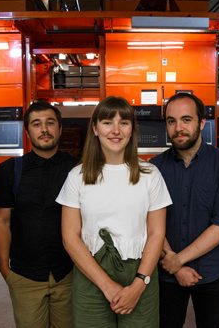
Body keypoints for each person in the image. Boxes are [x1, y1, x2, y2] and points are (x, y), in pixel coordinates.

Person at [56, 96, 172, 327]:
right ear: (95, 129)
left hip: (140, 270)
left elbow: (156, 234)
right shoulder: (76, 177)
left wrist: (139, 283)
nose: (116, 130)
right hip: (91, 272)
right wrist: (107, 285)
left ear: (132, 130)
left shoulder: (151, 174)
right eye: (108, 122)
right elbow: (70, 237)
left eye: (124, 122)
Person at [150, 93, 219, 328]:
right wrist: (173, 264)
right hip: (166, 272)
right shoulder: (154, 169)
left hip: (211, 272)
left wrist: (177, 261)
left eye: (186, 119)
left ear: (201, 123)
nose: (178, 128)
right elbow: (149, 223)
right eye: (171, 121)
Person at [0, 100, 77, 328]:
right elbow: (2, 220)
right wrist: (4, 268)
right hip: (24, 275)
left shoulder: (77, 169)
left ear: (59, 128)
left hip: (68, 274)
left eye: (50, 123)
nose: (44, 129)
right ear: (27, 131)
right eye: (37, 124)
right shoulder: (10, 170)